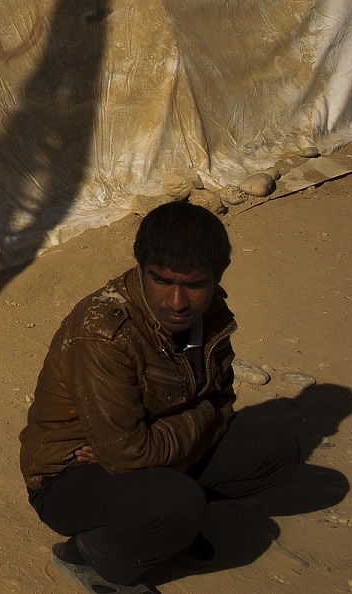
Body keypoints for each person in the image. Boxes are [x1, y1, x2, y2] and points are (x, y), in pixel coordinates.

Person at [19, 201, 299, 594]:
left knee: (274, 448)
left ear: (217, 276)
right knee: (177, 506)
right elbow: (131, 452)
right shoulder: (103, 334)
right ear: (141, 268)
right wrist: (202, 416)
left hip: (145, 447)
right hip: (70, 476)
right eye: (162, 281)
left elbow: (221, 399)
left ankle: (166, 527)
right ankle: (93, 554)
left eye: (195, 284)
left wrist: (169, 433)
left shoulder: (213, 312)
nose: (178, 302)